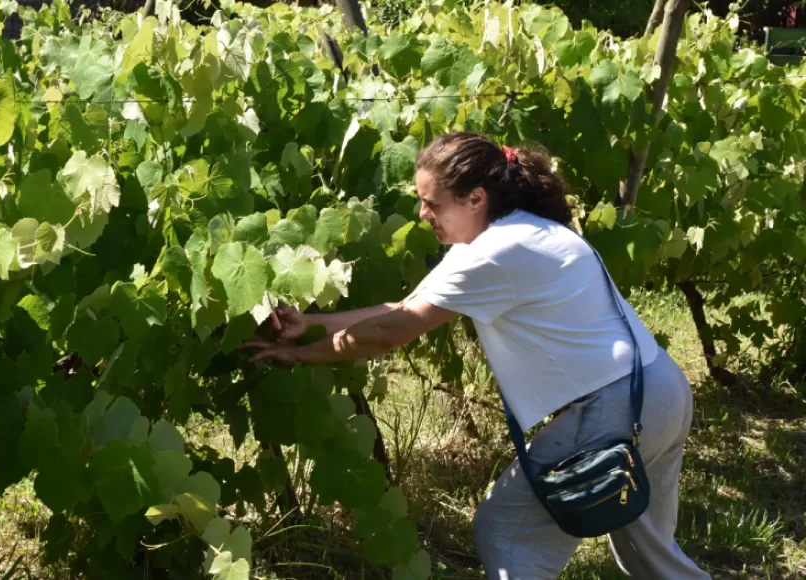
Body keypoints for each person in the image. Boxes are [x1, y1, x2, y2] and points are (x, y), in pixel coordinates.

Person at [243, 132, 709, 579]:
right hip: (658, 390)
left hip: (614, 405)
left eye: (432, 203)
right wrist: (312, 326)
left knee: (505, 531)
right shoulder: (516, 232)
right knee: (649, 556)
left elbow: (389, 332)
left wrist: (304, 357)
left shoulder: (491, 253)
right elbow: (405, 308)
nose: (422, 213)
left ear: (475, 199)